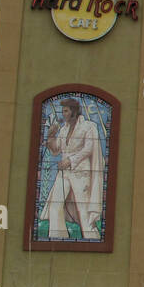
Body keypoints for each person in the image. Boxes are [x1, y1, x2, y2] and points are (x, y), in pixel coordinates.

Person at [39, 98, 106, 241]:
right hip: (64, 173)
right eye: (62, 111)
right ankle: (57, 238)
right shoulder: (64, 129)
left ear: (74, 111)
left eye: (66, 111)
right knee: (55, 204)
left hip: (81, 173)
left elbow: (89, 148)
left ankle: (92, 239)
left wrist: (70, 160)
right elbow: (56, 150)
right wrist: (51, 135)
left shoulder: (88, 126)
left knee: (84, 210)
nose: (63, 114)